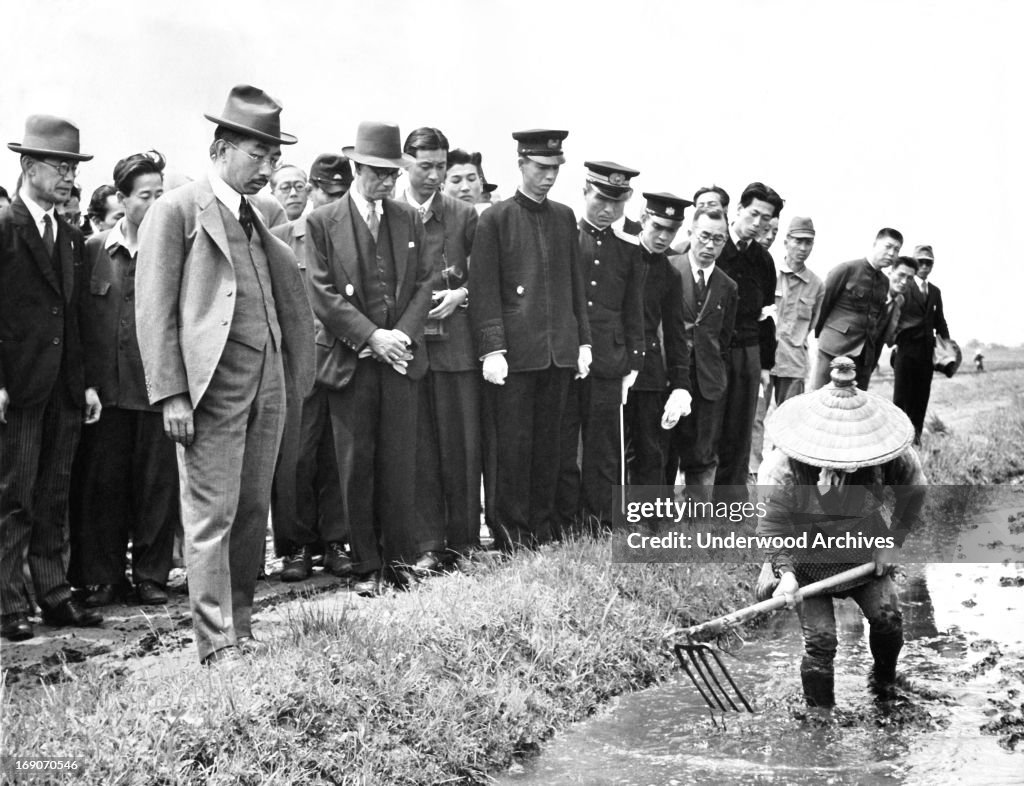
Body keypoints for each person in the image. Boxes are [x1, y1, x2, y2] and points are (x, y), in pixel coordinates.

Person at [135, 85, 314, 665]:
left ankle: (240, 623)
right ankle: (215, 643)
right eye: (255, 157)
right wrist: (171, 394)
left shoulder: (262, 214)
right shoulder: (177, 209)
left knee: (252, 505)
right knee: (211, 513)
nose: (266, 169)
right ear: (221, 149)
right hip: (210, 385)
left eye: (271, 158)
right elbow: (154, 308)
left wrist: (285, 374)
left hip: (268, 380)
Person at [305, 120, 434, 595]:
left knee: (400, 461)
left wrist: (399, 335)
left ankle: (398, 563)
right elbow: (320, 293)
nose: (386, 182)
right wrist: (370, 336)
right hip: (351, 361)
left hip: (399, 360)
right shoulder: (322, 222)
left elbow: (424, 282)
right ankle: (364, 565)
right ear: (358, 168)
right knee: (355, 464)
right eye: (378, 172)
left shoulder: (407, 219)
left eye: (392, 174)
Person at [758, 356, 926, 708]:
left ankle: (884, 685)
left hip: (864, 551)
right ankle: (820, 718)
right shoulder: (783, 466)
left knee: (888, 619)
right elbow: (772, 524)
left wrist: (892, 542)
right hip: (804, 557)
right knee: (821, 641)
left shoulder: (887, 455)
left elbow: (914, 489)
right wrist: (785, 574)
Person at [1, 114, 103, 641]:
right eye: (59, 166)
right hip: (18, 388)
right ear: (28, 166)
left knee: (53, 493)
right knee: (14, 495)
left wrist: (84, 384)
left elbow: (77, 316)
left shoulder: (69, 236)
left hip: (62, 389)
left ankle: (53, 593)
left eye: (73, 166)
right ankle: (9, 605)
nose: (68, 176)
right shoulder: (4, 227)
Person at [469, 129, 592, 550]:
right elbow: (484, 290)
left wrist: (584, 343)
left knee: (550, 448)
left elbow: (576, 287)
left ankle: (541, 529)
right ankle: (511, 534)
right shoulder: (496, 218)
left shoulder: (563, 217)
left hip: (557, 353)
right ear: (521, 164)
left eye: (555, 169)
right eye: (540, 168)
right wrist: (492, 349)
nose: (548, 177)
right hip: (515, 357)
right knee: (512, 450)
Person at [70, 150, 178, 607]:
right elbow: (77, 324)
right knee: (103, 489)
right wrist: (87, 384)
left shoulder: (175, 251)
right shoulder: (91, 250)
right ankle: (103, 576)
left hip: (157, 392)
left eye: (160, 194)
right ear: (121, 198)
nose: (153, 204)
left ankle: (152, 576)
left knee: (156, 488)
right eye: (144, 196)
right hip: (106, 395)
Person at [396, 127, 483, 567]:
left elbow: (482, 274)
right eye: (425, 166)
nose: (433, 176)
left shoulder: (463, 215)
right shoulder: (389, 213)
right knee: (420, 448)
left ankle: (464, 541)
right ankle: (428, 543)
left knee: (462, 446)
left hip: (456, 350)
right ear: (405, 163)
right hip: (407, 349)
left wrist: (461, 294)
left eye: (441, 168)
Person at [270, 153, 352, 582]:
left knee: (336, 458)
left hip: (341, 361)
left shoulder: (349, 236)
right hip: (297, 366)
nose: (329, 200)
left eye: (341, 193)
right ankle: (297, 547)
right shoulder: (280, 238)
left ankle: (336, 541)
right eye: (324, 191)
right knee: (295, 459)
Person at [556, 162, 645, 533]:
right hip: (566, 355)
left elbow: (634, 309)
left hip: (609, 359)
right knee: (562, 441)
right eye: (601, 200)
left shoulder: (628, 249)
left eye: (617, 202)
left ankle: (601, 520)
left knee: (604, 445)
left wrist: (634, 361)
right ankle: (563, 517)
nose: (608, 210)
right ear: (585, 193)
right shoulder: (565, 238)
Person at [713, 182, 782, 495]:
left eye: (766, 219)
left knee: (741, 430)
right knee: (709, 426)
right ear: (738, 210)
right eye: (754, 214)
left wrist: (765, 365)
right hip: (712, 350)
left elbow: (767, 317)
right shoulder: (713, 245)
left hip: (748, 353)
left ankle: (729, 502)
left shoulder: (764, 261)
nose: (758, 223)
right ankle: (698, 498)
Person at [665, 206, 737, 495]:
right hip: (669, 376)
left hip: (708, 382)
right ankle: (658, 516)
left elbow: (724, 338)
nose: (709, 245)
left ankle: (698, 521)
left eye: (718, 239)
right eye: (704, 236)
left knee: (703, 453)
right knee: (664, 449)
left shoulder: (728, 286)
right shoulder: (668, 268)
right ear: (690, 232)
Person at [623, 192, 691, 488]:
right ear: (642, 220)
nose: (664, 236)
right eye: (657, 227)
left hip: (649, 374)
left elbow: (676, 335)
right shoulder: (621, 257)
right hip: (612, 363)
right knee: (609, 449)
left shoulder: (670, 275)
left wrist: (680, 385)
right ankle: (601, 522)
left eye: (671, 230)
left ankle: (644, 522)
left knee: (649, 452)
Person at [813, 227, 903, 390]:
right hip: (834, 349)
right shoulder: (847, 269)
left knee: (855, 409)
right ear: (875, 244)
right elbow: (823, 304)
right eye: (888, 247)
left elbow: (878, 321)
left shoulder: (884, 282)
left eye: (896, 250)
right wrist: (822, 338)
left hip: (862, 358)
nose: (892, 253)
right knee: (819, 402)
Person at [892, 244, 950, 444]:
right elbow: (893, 316)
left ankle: (915, 439)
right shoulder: (904, 287)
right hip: (905, 351)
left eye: (929, 262)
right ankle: (898, 442)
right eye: (921, 262)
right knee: (901, 398)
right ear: (914, 264)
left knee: (921, 397)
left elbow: (940, 322)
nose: (924, 266)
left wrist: (947, 352)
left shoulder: (935, 292)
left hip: (927, 354)